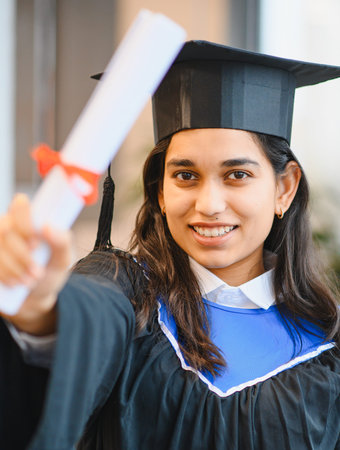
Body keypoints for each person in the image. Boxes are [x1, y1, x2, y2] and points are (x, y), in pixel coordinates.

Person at [0, 41, 339, 450]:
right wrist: (41, 311)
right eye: (185, 176)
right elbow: (88, 317)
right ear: (160, 191)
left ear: (284, 188)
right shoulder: (126, 293)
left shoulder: (326, 342)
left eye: (237, 175)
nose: (209, 205)